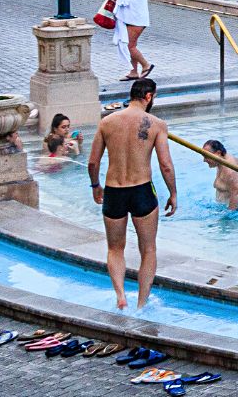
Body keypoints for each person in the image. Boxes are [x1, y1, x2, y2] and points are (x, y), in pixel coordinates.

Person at [88, 77, 176, 309]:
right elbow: (165, 164)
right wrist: (173, 193)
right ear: (149, 96)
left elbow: (92, 162)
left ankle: (120, 296)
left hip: (114, 191)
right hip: (142, 190)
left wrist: (96, 186)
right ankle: (141, 302)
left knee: (115, 248)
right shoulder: (156, 124)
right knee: (148, 249)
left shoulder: (107, 122)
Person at [114, 0, 153, 81]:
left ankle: (146, 65)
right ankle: (134, 71)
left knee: (129, 45)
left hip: (137, 20)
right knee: (131, 45)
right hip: (131, 19)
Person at [203, 139, 238, 210]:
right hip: (237, 205)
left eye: (206, 156)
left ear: (218, 153)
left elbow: (237, 193)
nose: (204, 160)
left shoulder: (230, 170)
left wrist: (228, 218)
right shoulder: (221, 161)